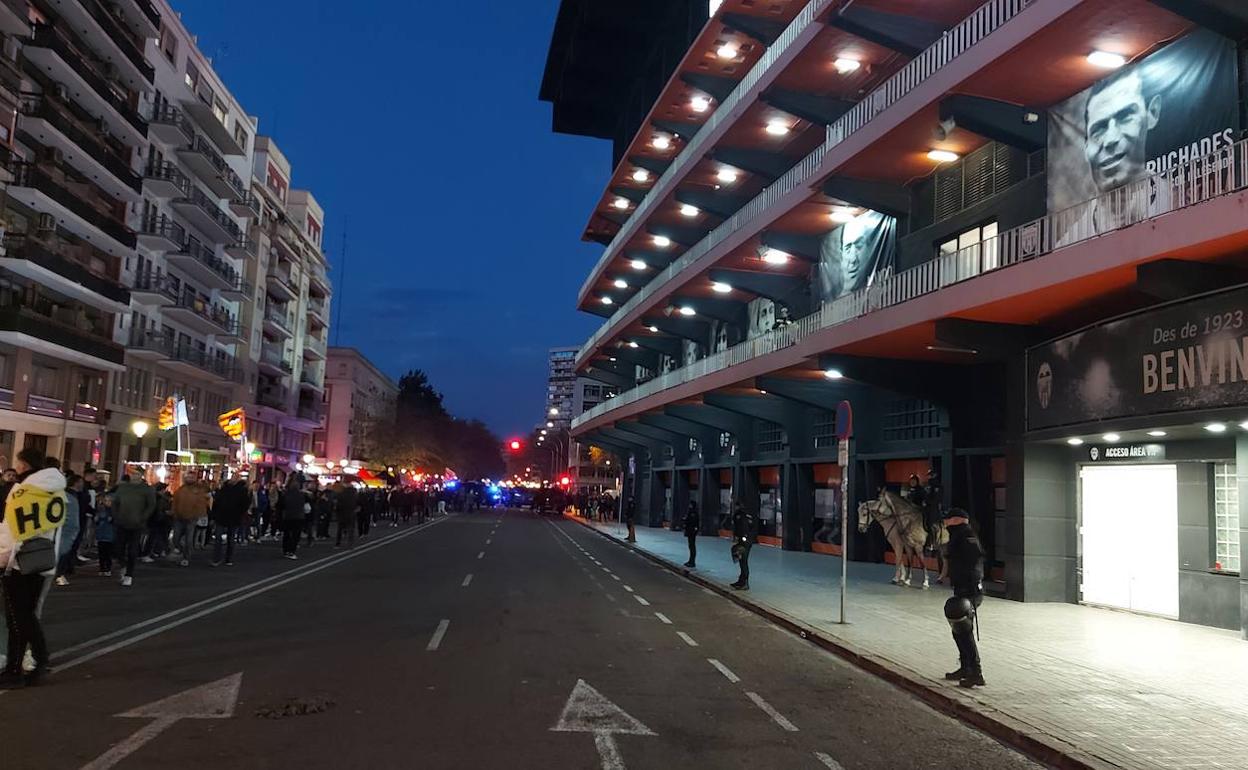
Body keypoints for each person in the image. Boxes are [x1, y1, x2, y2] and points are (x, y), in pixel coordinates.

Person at [0, 447, 66, 687]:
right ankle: (30, 663)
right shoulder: (57, 490)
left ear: (25, 465)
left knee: (17, 618)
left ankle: (21, 667)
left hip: (19, 561)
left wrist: (2, 559)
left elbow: (10, 530)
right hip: (44, 559)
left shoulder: (22, 492)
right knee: (27, 615)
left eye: (18, 464)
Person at [942, 507, 986, 688]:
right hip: (962, 587)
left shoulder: (967, 536)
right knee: (958, 629)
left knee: (964, 630)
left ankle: (976, 672)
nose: (945, 523)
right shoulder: (958, 535)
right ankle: (965, 667)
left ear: (957, 520)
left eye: (948, 519)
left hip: (970, 589)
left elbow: (973, 557)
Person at [111, 474, 155, 586]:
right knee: (118, 548)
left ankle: (129, 574)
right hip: (122, 522)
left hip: (137, 524)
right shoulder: (123, 488)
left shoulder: (147, 489)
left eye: (137, 474)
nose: (134, 477)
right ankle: (123, 565)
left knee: (133, 550)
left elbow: (151, 505)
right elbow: (115, 502)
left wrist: (143, 517)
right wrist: (116, 516)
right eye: (133, 474)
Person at [171, 473, 210, 567]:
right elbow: (175, 502)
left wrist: (198, 515)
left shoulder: (198, 490)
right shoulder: (181, 490)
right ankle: (181, 550)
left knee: (188, 539)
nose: (189, 479)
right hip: (179, 517)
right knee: (175, 537)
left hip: (191, 518)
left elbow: (201, 504)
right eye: (188, 477)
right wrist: (174, 512)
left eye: (191, 477)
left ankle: (186, 557)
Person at [211, 477, 249, 567]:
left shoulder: (225, 490)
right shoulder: (239, 491)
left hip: (226, 517)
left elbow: (216, 502)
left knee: (223, 539)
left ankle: (221, 558)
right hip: (229, 517)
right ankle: (224, 558)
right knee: (226, 539)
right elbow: (245, 504)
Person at [53, 473, 83, 586]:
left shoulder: (60, 495)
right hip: (66, 527)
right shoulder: (69, 497)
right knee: (64, 551)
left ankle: (59, 573)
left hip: (61, 527)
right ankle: (59, 574)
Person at [141, 482, 172, 563]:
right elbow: (157, 510)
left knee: (151, 537)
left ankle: (148, 552)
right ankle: (146, 554)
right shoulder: (157, 498)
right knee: (151, 537)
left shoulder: (153, 496)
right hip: (154, 520)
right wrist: (163, 514)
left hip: (152, 519)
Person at [730, 501, 756, 590]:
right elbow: (752, 528)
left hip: (743, 542)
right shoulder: (748, 515)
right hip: (747, 541)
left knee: (743, 562)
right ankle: (741, 581)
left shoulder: (740, 516)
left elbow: (741, 529)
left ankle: (745, 583)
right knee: (742, 561)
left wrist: (740, 539)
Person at [280, 475, 306, 559]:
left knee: (287, 534)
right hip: (298, 516)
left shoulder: (285, 494)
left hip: (287, 516)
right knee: (295, 535)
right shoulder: (301, 495)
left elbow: (281, 505)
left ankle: (286, 550)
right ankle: (291, 551)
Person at [334, 482, 359, 549]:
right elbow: (358, 503)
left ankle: (337, 543)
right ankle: (350, 544)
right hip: (351, 514)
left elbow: (338, 505)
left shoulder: (341, 494)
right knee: (351, 530)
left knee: (340, 530)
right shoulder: (355, 494)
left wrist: (337, 513)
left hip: (342, 514)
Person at [682, 499, 700, 568]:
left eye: (690, 504)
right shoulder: (691, 512)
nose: (689, 506)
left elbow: (692, 522)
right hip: (690, 531)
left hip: (691, 532)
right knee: (691, 546)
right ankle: (690, 561)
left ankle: (692, 562)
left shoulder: (693, 513)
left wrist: (686, 521)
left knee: (692, 546)